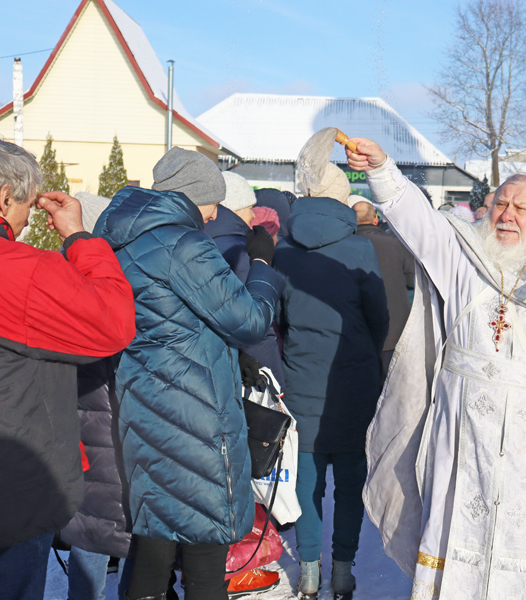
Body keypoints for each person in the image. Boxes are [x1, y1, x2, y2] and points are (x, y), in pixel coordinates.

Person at [349, 138, 526, 599]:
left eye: (522, 207)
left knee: (525, 545)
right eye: (501, 203)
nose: (508, 214)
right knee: (458, 531)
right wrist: (381, 169)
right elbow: (417, 221)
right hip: (463, 433)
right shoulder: (464, 259)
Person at [95, 147, 285, 600]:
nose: (215, 212)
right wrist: (261, 266)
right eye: (211, 201)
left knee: (155, 541)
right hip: (195, 413)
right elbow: (250, 321)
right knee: (204, 547)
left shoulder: (120, 238)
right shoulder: (182, 244)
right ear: (192, 197)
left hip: (143, 403)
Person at [0, 142, 136, 600]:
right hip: (16, 482)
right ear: (3, 196)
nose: (24, 220)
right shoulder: (24, 272)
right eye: (23, 205)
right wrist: (79, 239)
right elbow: (113, 324)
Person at [273, 187, 388, 599]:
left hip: (302, 380)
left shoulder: (283, 251)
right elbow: (379, 316)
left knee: (307, 485)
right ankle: (342, 570)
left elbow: (279, 319)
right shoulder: (359, 249)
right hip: (354, 382)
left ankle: (307, 572)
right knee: (350, 482)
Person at [205, 172, 286, 390]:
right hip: (246, 370)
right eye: (249, 207)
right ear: (235, 208)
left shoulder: (197, 242)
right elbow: (255, 326)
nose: (252, 215)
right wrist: (274, 383)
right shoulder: (242, 250)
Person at [353, 197, 416, 379]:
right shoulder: (395, 243)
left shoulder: (344, 244)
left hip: (357, 330)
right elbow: (412, 282)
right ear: (375, 220)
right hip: (394, 330)